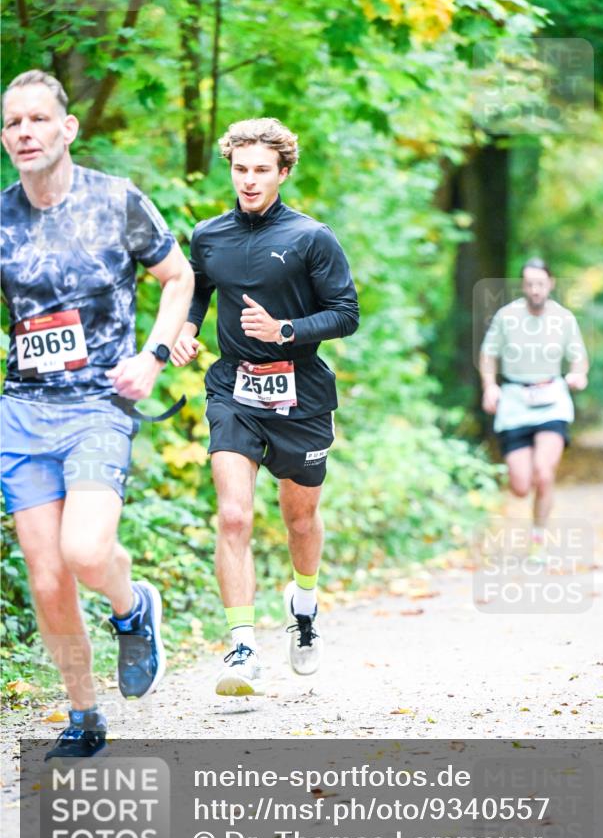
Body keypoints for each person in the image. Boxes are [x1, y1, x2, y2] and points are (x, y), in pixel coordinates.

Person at [0, 70, 194, 757]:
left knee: (84, 551)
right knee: (45, 573)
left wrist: (154, 355)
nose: (25, 132)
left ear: (67, 128)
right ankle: (84, 715)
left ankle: (132, 605)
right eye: (13, 123)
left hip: (97, 403)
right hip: (23, 408)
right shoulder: (0, 217)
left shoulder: (117, 203)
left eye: (37, 120)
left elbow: (178, 278)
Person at [172, 117, 359, 696]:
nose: (249, 181)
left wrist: (285, 330)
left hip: (300, 389)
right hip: (234, 387)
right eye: (240, 169)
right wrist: (185, 326)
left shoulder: (311, 237)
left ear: (282, 172)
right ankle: (242, 646)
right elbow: (198, 286)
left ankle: (303, 606)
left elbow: (346, 314)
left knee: (299, 518)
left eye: (261, 170)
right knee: (233, 515)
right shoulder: (208, 235)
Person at [479, 258, 588, 555]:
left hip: (552, 400)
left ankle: (538, 537)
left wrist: (578, 375)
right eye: (529, 284)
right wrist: (490, 387)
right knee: (520, 486)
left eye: (540, 284)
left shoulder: (564, 318)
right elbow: (488, 355)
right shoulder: (507, 316)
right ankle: (531, 514)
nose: (535, 290)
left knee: (544, 471)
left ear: (550, 284)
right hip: (515, 401)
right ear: (522, 286)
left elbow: (579, 357)